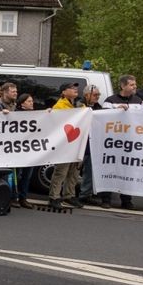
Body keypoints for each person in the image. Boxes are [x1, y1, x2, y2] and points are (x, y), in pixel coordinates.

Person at [103, 75, 143, 210]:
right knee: (110, 169)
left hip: (130, 142)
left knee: (127, 171)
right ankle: (106, 199)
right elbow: (103, 119)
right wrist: (116, 111)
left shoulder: (138, 101)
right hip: (113, 142)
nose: (135, 87)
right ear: (123, 86)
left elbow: (142, 120)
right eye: (132, 85)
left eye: (135, 84)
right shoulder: (110, 100)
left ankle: (126, 200)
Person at [47, 82, 83, 210]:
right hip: (64, 144)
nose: (75, 90)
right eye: (71, 88)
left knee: (74, 172)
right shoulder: (60, 106)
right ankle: (54, 196)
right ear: (63, 92)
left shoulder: (79, 105)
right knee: (61, 171)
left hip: (77, 143)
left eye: (76, 88)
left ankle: (69, 195)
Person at [11, 93, 37, 209]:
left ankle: (23, 198)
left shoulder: (36, 115)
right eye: (29, 101)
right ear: (22, 104)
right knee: (17, 175)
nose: (32, 103)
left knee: (27, 175)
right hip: (18, 150)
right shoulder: (16, 115)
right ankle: (13, 197)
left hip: (30, 150)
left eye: (32, 101)